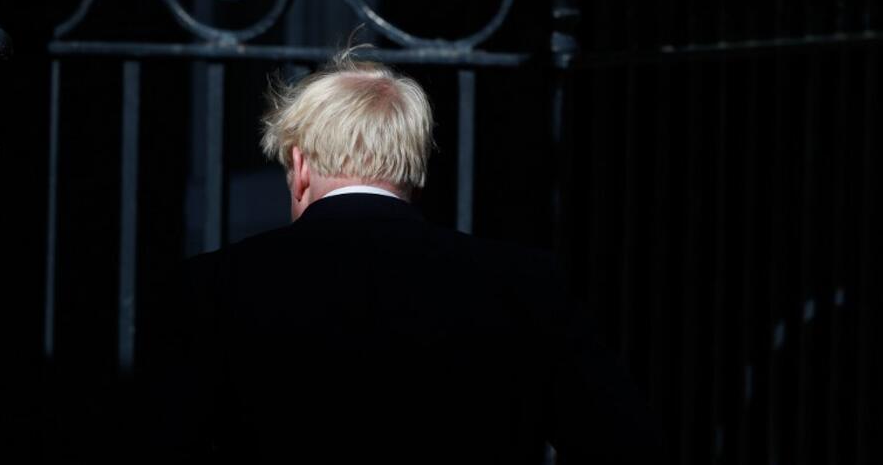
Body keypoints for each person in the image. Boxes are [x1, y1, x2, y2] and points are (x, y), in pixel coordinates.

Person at [136, 50, 663, 464]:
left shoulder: (210, 287)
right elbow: (622, 445)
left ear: (298, 165)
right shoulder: (522, 283)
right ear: (413, 169)